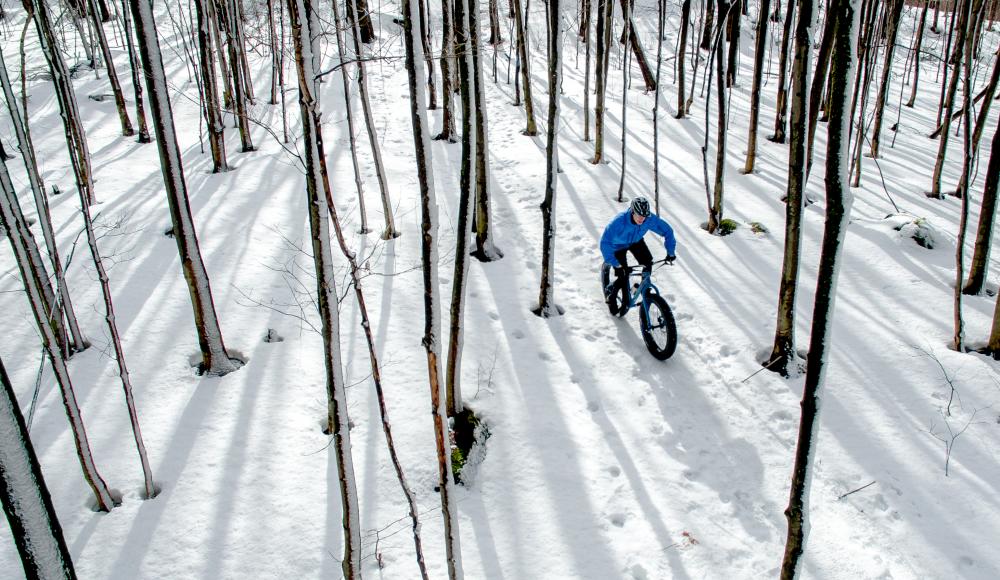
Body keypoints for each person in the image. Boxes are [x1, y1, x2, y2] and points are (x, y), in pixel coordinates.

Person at [600, 196, 676, 314]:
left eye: (644, 216)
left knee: (647, 263)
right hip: (617, 246)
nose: (642, 219)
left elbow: (667, 231)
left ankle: (643, 290)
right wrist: (615, 263)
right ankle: (611, 292)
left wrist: (670, 252)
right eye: (639, 215)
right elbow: (605, 243)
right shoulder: (619, 222)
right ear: (632, 211)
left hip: (636, 241)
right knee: (623, 273)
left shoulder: (648, 218)